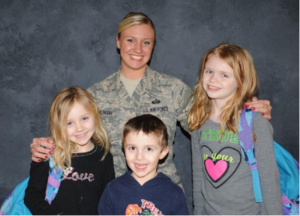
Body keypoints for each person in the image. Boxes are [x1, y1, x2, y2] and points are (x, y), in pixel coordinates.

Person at [29, 12, 272, 188]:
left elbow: (210, 125)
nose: (138, 48)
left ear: (153, 46)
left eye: (146, 42)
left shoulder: (173, 89)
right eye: (130, 40)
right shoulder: (95, 95)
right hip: (114, 195)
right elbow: (75, 136)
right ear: (118, 42)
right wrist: (47, 145)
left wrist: (245, 113)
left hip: (164, 194)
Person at [188, 44, 282, 215]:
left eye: (224, 75)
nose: (213, 79)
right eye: (209, 71)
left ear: (241, 81)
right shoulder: (198, 121)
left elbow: (269, 181)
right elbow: (198, 177)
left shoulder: (256, 124)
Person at [24, 87, 115, 216]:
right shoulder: (49, 153)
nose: (79, 128)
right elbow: (32, 195)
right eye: (69, 123)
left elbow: (108, 199)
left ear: (95, 115)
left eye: (84, 118)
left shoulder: (104, 156)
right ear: (58, 125)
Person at [99, 114, 190, 216]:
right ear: (124, 149)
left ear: (163, 152)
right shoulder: (112, 190)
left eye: (148, 149)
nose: (139, 157)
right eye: (132, 148)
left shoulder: (174, 193)